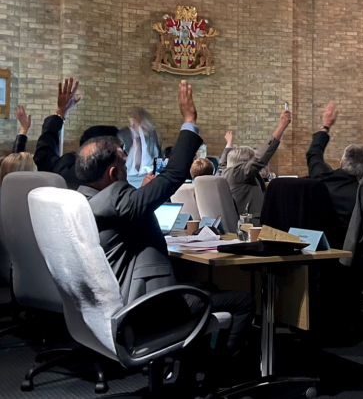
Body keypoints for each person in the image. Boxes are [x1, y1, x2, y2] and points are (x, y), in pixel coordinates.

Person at [75, 80, 252, 353]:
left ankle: (187, 368)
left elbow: (126, 214)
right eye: (123, 164)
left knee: (205, 285)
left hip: (110, 302)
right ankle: (221, 373)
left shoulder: (82, 200)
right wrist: (189, 121)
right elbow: (173, 175)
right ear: (113, 174)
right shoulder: (118, 202)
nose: (127, 167)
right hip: (146, 306)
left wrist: (142, 194)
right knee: (243, 301)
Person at [34, 77, 120, 190]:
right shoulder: (115, 189)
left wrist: (60, 112)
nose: (125, 156)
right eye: (121, 150)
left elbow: (43, 154)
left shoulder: (63, 170)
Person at [306, 102, 363, 227]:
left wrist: (326, 126)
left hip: (313, 243)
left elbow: (314, 153)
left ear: (341, 162)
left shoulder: (320, 178)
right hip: (345, 245)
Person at [219, 112, 291, 218]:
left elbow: (222, 163)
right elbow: (260, 158)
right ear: (246, 161)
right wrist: (281, 127)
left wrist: (229, 144)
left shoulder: (224, 172)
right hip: (252, 222)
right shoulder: (239, 173)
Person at [119, 107, 161, 188]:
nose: (133, 122)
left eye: (136, 118)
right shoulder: (124, 133)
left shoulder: (150, 134)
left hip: (146, 175)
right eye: (131, 119)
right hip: (129, 175)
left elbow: (156, 153)